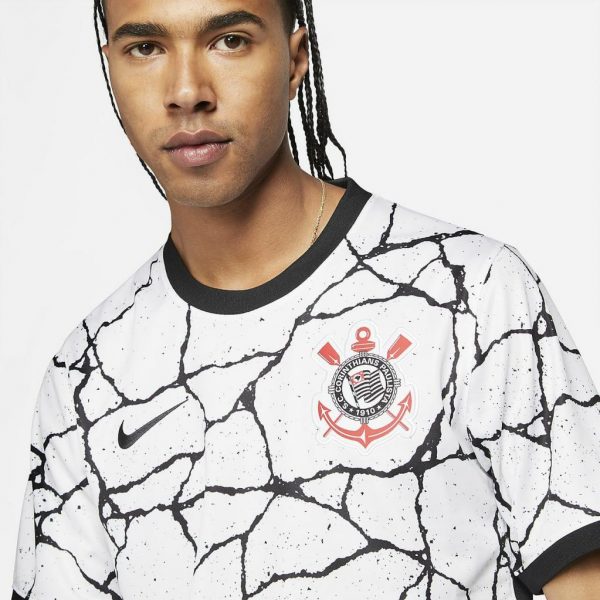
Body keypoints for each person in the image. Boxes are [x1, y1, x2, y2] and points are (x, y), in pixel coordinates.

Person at [9, 1, 600, 599]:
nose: (187, 91)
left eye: (229, 40)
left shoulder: (471, 293)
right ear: (111, 69)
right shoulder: (86, 376)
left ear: (295, 61)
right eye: (146, 48)